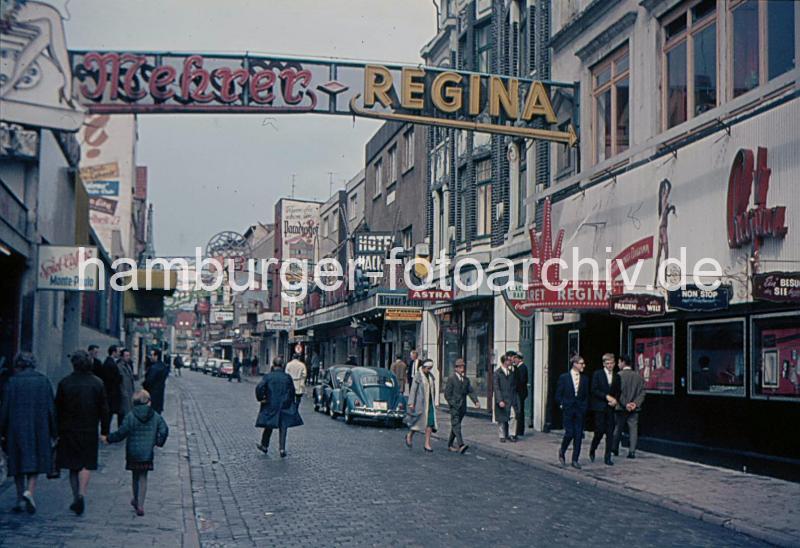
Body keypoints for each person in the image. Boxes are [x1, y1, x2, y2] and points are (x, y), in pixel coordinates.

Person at [0, 353, 56, 514]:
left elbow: (5, 408)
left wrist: (1, 429)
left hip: (16, 428)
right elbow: (51, 409)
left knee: (17, 462)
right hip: (39, 427)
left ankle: (19, 498)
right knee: (34, 461)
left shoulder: (12, 382)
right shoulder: (43, 381)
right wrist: (54, 431)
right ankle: (29, 492)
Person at [55, 350, 110, 515]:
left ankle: (75, 497)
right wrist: (104, 431)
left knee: (73, 466)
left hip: (69, 429)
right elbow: (104, 409)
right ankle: (82, 493)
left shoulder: (65, 383)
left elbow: (57, 408)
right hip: (89, 428)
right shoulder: (98, 383)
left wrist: (56, 430)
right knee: (86, 464)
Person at [106, 389, 169, 516]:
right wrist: (158, 442)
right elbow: (164, 430)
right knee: (143, 477)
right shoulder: (155, 416)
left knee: (135, 476)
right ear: (149, 402)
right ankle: (141, 504)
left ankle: (135, 499)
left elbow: (122, 432)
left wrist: (109, 438)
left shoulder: (130, 415)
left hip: (133, 452)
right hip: (147, 453)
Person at [255, 357, 303, 457]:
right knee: (283, 426)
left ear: (273, 365)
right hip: (284, 404)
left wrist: (261, 398)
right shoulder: (287, 377)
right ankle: (282, 449)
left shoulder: (268, 376)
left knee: (269, 425)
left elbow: (259, 387)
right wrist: (291, 402)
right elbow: (292, 391)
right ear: (282, 365)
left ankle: (264, 445)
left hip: (271, 403)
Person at [556, 354, 589, 469]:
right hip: (568, 409)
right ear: (575, 364)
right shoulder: (564, 377)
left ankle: (575, 459)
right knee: (569, 433)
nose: (583, 365)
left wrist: (584, 407)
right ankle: (562, 450)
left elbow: (586, 395)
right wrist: (562, 404)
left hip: (579, 410)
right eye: (581, 363)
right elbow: (558, 394)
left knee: (578, 435)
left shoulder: (585, 379)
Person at [589, 353, 620, 466]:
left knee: (610, 432)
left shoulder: (617, 376)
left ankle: (607, 457)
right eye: (607, 363)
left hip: (610, 408)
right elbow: (594, 390)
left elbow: (618, 391)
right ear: (603, 364)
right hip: (599, 407)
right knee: (599, 430)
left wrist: (615, 400)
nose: (610, 366)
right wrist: (606, 397)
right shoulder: (597, 374)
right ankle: (593, 447)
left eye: (612, 363)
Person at [613, 355, 646, 459]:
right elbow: (642, 393)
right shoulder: (638, 376)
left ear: (623, 362)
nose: (618, 364)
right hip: (634, 408)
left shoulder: (618, 375)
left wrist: (625, 403)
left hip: (621, 407)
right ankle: (632, 451)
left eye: (619, 362)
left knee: (618, 428)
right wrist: (635, 404)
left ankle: (614, 448)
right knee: (633, 429)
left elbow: (617, 392)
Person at [444, 358, 480, 453]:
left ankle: (450, 444)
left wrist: (476, 401)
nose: (462, 369)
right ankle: (461, 444)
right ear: (456, 368)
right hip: (454, 407)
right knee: (456, 425)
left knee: (455, 426)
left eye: (463, 367)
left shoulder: (466, 380)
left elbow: (470, 391)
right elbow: (447, 394)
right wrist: (452, 403)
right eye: (460, 367)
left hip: (462, 407)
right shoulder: (451, 379)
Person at [404, 359, 437, 452]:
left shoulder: (431, 376)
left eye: (430, 368)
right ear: (423, 367)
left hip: (429, 403)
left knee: (430, 423)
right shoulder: (418, 376)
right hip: (420, 403)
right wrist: (411, 403)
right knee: (418, 422)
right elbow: (413, 390)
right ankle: (410, 434)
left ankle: (427, 444)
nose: (429, 370)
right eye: (428, 368)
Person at [493, 354, 518, 443]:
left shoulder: (511, 373)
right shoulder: (497, 373)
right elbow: (496, 388)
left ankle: (512, 434)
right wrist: (499, 400)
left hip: (511, 399)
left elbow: (514, 387)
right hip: (502, 399)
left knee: (513, 417)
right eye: (509, 361)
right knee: (501, 419)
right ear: (505, 362)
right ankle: (502, 435)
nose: (510, 362)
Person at [101, 346, 123, 427]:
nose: (119, 353)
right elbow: (115, 379)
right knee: (109, 413)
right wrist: (120, 377)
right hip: (111, 393)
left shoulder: (108, 362)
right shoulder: (111, 364)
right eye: (118, 351)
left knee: (109, 414)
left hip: (110, 392)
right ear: (113, 352)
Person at [143, 349, 169, 415]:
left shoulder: (154, 368)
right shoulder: (163, 366)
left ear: (156, 356)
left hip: (152, 395)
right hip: (160, 395)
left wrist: (144, 385)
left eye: (152, 355)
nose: (151, 357)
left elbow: (148, 381)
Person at [116, 349, 136, 428]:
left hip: (129, 391)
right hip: (124, 393)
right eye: (126, 356)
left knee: (128, 412)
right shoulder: (119, 366)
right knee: (123, 412)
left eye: (129, 355)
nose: (128, 357)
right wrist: (123, 392)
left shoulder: (128, 365)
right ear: (122, 357)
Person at [512, 351, 529, 437]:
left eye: (515, 358)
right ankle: (518, 429)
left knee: (520, 411)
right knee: (519, 410)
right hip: (519, 392)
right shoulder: (518, 367)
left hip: (520, 392)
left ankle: (520, 430)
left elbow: (521, 380)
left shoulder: (522, 368)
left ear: (519, 359)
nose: (514, 360)